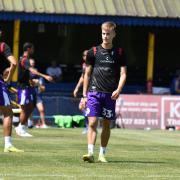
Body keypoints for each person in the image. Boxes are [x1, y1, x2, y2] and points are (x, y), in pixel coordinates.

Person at [82, 21, 127, 163]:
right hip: (94, 93)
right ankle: (90, 153)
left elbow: (123, 74)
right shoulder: (93, 52)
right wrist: (84, 95)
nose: (105, 36)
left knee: (106, 124)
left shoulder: (119, 52)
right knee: (93, 122)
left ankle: (102, 153)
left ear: (114, 34)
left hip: (110, 95)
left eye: (108, 34)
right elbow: (87, 74)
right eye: (103, 33)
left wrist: (118, 89)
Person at [15, 42, 53, 137]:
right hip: (23, 88)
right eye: (32, 48)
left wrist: (31, 80)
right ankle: (20, 128)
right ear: (28, 49)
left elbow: (27, 73)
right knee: (25, 108)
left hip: (29, 87)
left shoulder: (26, 59)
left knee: (31, 106)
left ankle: (22, 127)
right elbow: (32, 70)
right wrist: (45, 76)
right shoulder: (24, 60)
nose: (33, 50)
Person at [0, 28, 23, 152]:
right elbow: (14, 63)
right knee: (8, 113)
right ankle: (8, 145)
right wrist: (8, 80)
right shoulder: (2, 46)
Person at [29, 58, 48, 128]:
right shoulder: (26, 75)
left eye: (33, 63)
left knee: (41, 110)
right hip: (29, 95)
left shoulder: (40, 78)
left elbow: (43, 89)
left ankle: (43, 124)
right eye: (31, 63)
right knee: (29, 110)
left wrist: (38, 84)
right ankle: (30, 124)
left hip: (37, 96)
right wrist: (32, 83)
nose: (32, 64)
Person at [73, 50, 88, 134]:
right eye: (85, 55)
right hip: (86, 91)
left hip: (93, 89)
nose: (87, 56)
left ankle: (89, 126)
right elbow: (82, 77)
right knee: (82, 107)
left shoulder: (94, 64)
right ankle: (88, 126)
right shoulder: (84, 65)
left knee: (85, 107)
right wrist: (77, 88)